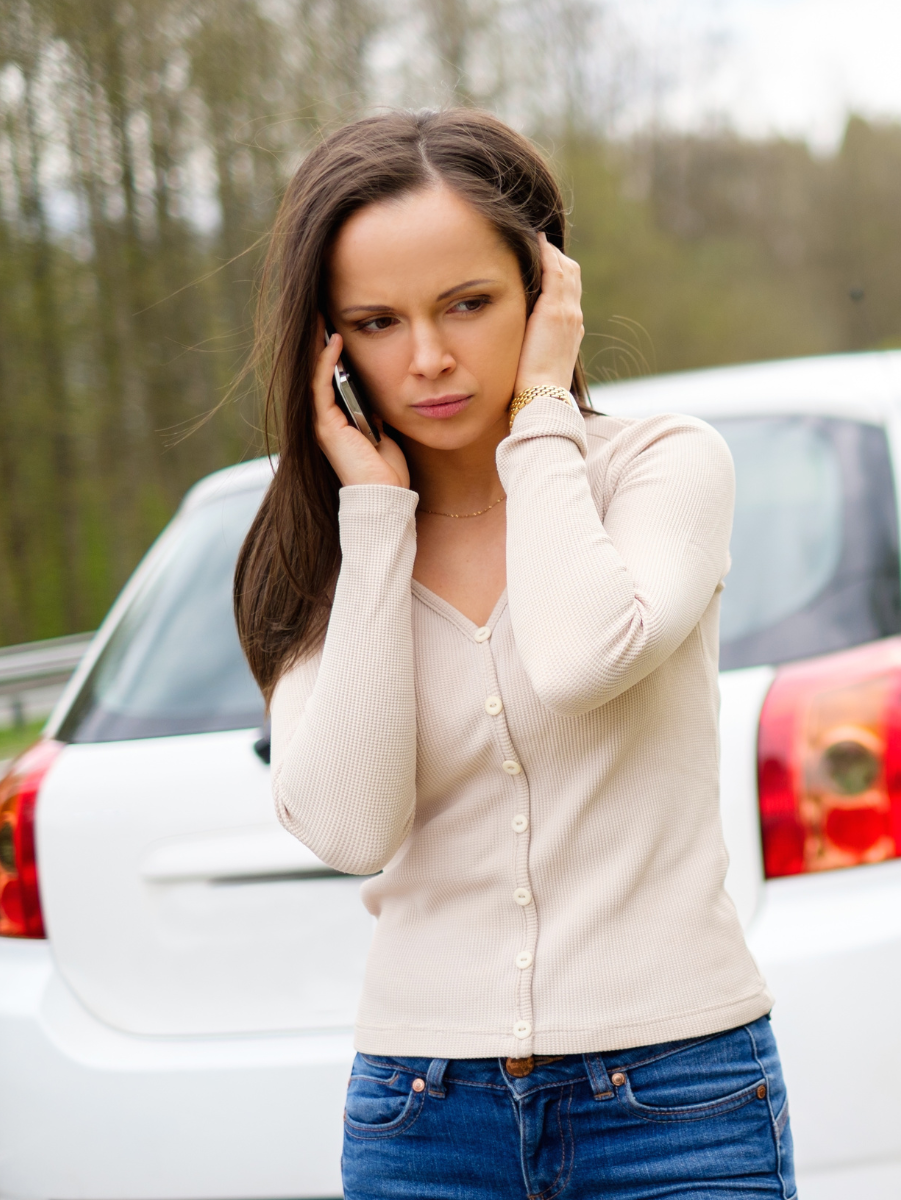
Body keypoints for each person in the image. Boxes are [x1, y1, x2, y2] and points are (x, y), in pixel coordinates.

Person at [234, 108, 796, 1200]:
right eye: (378, 322)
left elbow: (581, 656)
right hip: (422, 1115)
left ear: (547, 294)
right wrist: (377, 519)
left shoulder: (660, 471)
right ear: (328, 345)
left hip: (679, 1100)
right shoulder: (323, 557)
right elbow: (353, 829)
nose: (430, 357)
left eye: (468, 304)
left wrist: (541, 408)